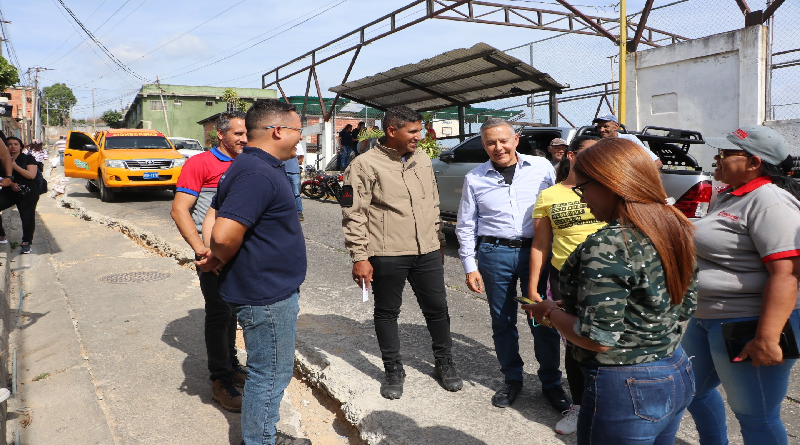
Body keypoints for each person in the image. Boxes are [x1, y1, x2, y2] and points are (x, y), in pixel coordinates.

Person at [523, 137, 697, 444]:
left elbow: (598, 339)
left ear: (611, 185)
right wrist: (580, 301)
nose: (581, 198)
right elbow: (680, 305)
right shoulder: (674, 224)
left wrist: (547, 312)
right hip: (676, 367)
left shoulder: (607, 243)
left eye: (584, 187)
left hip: (626, 383)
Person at [198, 99, 306, 445]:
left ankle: (263, 436)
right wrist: (219, 253)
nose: (300, 140)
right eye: (298, 132)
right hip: (267, 294)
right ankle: (260, 441)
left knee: (269, 372)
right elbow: (225, 233)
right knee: (269, 375)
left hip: (265, 287)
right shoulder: (256, 172)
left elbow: (216, 210)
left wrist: (217, 257)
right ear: (278, 131)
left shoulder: (246, 166)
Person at [683, 126, 800, 445]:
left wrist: (767, 337)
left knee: (756, 416)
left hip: (747, 323)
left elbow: (787, 274)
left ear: (754, 162)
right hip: (707, 318)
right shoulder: (731, 194)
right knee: (687, 390)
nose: (716, 158)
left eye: (725, 153)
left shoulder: (770, 202)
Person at [342, 105, 462, 400]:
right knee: (386, 312)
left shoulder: (422, 159)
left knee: (438, 310)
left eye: (420, 131)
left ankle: (444, 364)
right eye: (413, 131)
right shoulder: (363, 165)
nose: (419, 137)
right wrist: (360, 257)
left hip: (428, 251)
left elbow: (432, 203)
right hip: (387, 252)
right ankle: (393, 369)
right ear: (392, 131)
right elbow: (352, 213)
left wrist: (438, 242)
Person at [456, 118, 570, 412]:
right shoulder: (475, 178)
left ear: (516, 140)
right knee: (502, 320)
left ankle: (551, 383)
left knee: (544, 317)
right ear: (484, 145)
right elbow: (467, 225)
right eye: (491, 143)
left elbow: (560, 202)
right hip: (495, 253)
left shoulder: (542, 168)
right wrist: (470, 265)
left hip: (539, 251)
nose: (498, 147)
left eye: (503, 141)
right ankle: (512, 379)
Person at [170, 111, 248, 412]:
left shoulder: (247, 162)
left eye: (246, 134)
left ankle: (230, 364)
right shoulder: (200, 164)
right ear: (221, 134)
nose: (243, 139)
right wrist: (202, 251)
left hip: (241, 254)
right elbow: (180, 210)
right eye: (237, 134)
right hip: (212, 254)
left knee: (232, 314)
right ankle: (220, 380)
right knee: (218, 314)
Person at [528, 135, 605, 435]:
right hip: (565, 280)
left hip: (606, 280)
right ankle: (580, 406)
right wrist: (534, 289)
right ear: (571, 156)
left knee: (606, 343)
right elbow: (540, 244)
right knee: (574, 345)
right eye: (591, 152)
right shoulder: (549, 196)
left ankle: (607, 405)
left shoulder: (612, 190)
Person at [0, 137, 42, 253]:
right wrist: (12, 183)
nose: (12, 147)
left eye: (15, 144)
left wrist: (14, 166)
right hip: (9, 191)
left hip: (27, 192)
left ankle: (26, 242)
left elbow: (31, 175)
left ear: (20, 146)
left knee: (27, 217)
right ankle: (1, 235)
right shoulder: (2, 159)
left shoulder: (28, 158)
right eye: (9, 144)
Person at [592, 114, 662, 168]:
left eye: (606, 126)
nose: (601, 130)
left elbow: (657, 163)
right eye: (599, 127)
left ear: (616, 126)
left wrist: (638, 178)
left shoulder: (629, 140)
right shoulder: (598, 144)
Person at [283, 140, 305, 221]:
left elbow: (301, 159)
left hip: (294, 172)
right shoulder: (281, 145)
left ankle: (299, 212)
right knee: (284, 193)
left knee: (296, 193)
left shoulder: (298, 145)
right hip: (282, 171)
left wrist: (294, 164)